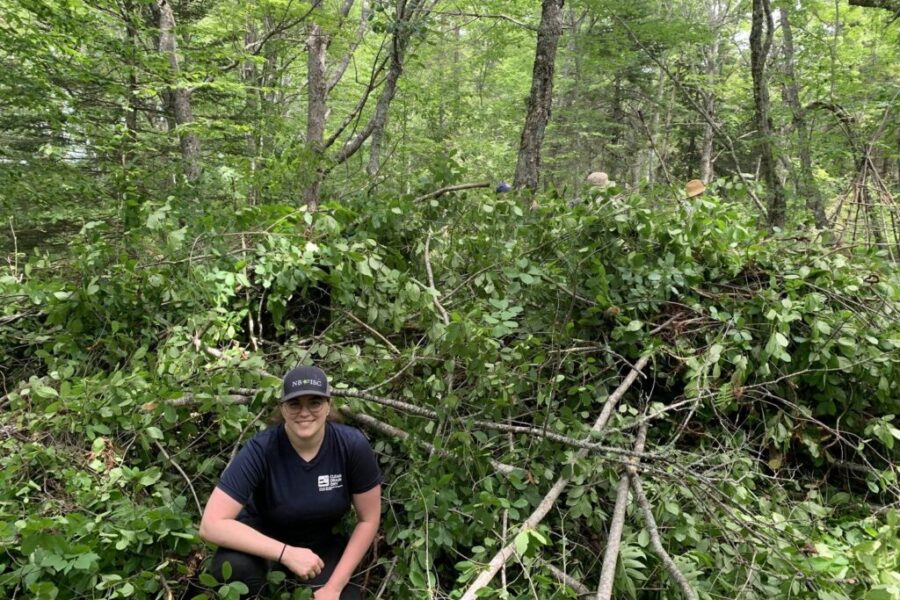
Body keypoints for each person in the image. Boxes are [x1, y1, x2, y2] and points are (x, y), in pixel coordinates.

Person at [199, 365, 382, 599]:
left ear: (328, 406)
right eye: (295, 404)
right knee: (236, 569)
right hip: (264, 539)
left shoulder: (351, 446)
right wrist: (285, 553)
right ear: (283, 409)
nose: (304, 412)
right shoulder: (261, 448)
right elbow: (211, 524)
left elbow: (368, 520)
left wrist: (333, 588)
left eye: (314, 402)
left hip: (322, 543)